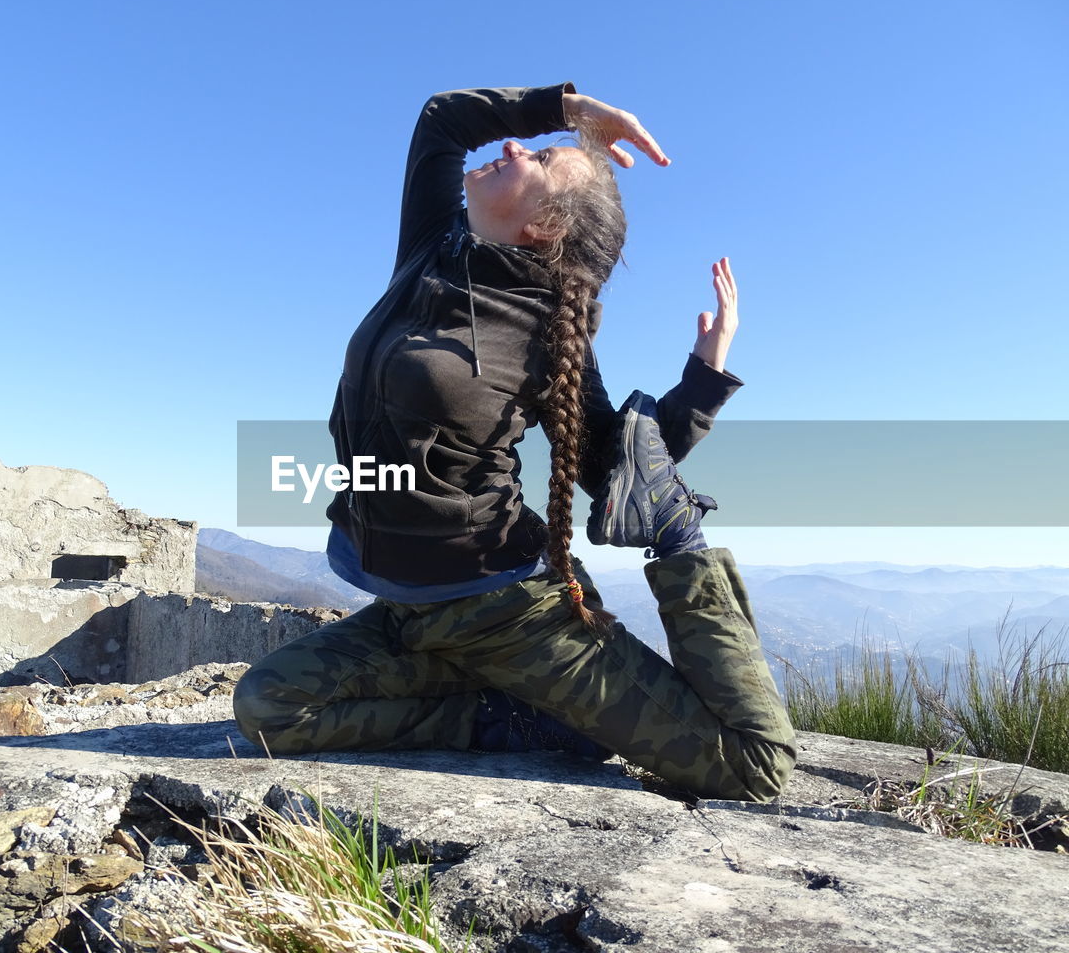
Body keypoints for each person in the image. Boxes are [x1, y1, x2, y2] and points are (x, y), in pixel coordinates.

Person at [233, 84, 797, 802]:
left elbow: (614, 471)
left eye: (537, 159)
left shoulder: (549, 334)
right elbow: (443, 121)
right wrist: (566, 112)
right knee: (265, 710)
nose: (509, 147)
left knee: (750, 767)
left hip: (511, 610)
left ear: (544, 224)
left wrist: (705, 378)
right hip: (410, 609)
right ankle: (506, 718)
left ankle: (682, 552)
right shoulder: (430, 254)